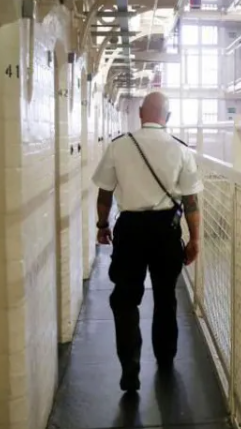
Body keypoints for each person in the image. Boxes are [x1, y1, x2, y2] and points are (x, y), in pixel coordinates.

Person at [91, 92, 203, 392]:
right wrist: (194, 239)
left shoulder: (119, 146)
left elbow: (104, 193)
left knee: (125, 299)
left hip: (130, 230)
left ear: (140, 113)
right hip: (166, 231)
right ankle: (165, 359)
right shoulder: (181, 150)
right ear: (168, 117)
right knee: (166, 297)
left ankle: (130, 368)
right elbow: (191, 202)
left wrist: (102, 225)